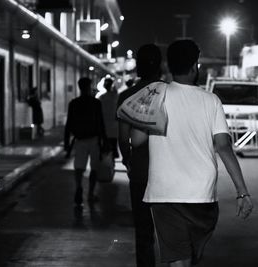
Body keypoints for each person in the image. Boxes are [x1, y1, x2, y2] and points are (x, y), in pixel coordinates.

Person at [133, 40, 253, 267]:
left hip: (164, 193)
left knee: (181, 258)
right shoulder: (211, 101)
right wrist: (242, 191)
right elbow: (223, 146)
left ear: (169, 65)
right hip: (201, 196)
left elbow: (136, 139)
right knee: (182, 259)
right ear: (195, 66)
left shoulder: (157, 96)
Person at [118, 44, 162, 267]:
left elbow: (123, 139)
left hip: (140, 174)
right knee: (171, 231)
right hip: (169, 174)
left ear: (138, 66)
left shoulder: (127, 96)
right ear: (161, 66)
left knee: (143, 231)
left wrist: (128, 161)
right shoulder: (169, 93)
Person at [64, 77, 107, 207]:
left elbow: (69, 124)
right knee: (94, 168)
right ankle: (90, 194)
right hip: (94, 139)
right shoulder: (96, 103)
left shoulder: (74, 103)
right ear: (89, 87)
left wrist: (66, 142)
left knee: (79, 167)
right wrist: (105, 140)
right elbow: (101, 123)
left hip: (80, 139)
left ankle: (79, 187)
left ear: (79, 87)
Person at [99, 77, 119, 159]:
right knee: (113, 145)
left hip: (104, 125)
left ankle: (109, 165)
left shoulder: (102, 97)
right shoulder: (117, 96)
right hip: (114, 125)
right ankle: (112, 164)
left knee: (105, 146)